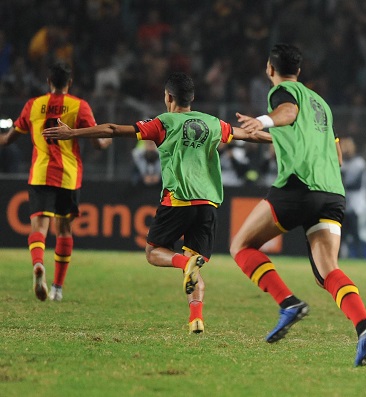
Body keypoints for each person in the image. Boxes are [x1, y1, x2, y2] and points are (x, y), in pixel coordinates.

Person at [43, 72, 269, 333]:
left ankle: (185, 265)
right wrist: (286, 144)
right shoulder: (213, 123)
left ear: (168, 97)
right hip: (208, 204)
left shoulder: (164, 122)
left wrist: (72, 133)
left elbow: (113, 129)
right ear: (192, 98)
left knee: (154, 253)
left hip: (178, 201)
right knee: (195, 264)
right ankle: (196, 318)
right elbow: (251, 136)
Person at [231, 43, 366, 367]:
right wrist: (248, 132)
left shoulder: (282, 93)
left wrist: (262, 120)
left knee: (241, 246)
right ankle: (365, 327)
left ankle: (287, 303)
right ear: (299, 70)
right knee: (327, 271)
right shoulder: (322, 105)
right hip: (332, 192)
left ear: (270, 70)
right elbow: (336, 153)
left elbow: (287, 114)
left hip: (299, 187)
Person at [0, 62, 111, 302]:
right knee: (64, 230)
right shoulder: (79, 106)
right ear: (69, 83)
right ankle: (58, 288)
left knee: (39, 228)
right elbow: (95, 142)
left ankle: (38, 263)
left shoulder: (33, 105)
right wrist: (105, 143)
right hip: (68, 176)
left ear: (48, 82)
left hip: (40, 173)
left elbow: (8, 140)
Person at [339, 137, 366, 258]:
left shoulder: (359, 163)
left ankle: (360, 256)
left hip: (356, 204)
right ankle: (339, 257)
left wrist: (342, 181)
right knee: (341, 234)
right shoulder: (343, 163)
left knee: (356, 234)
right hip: (345, 204)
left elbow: (357, 184)